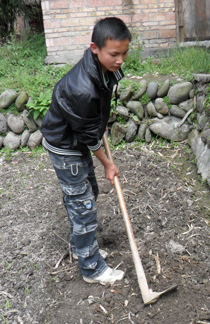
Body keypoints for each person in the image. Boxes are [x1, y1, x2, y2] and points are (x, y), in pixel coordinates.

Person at [41, 17, 131, 285]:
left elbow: (92, 124)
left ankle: (83, 247)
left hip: (77, 137)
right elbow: (89, 137)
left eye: (125, 52)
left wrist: (98, 125)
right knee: (83, 204)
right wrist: (107, 164)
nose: (121, 60)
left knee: (86, 194)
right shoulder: (82, 89)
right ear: (95, 48)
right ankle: (91, 268)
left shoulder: (103, 70)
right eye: (114, 54)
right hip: (65, 146)